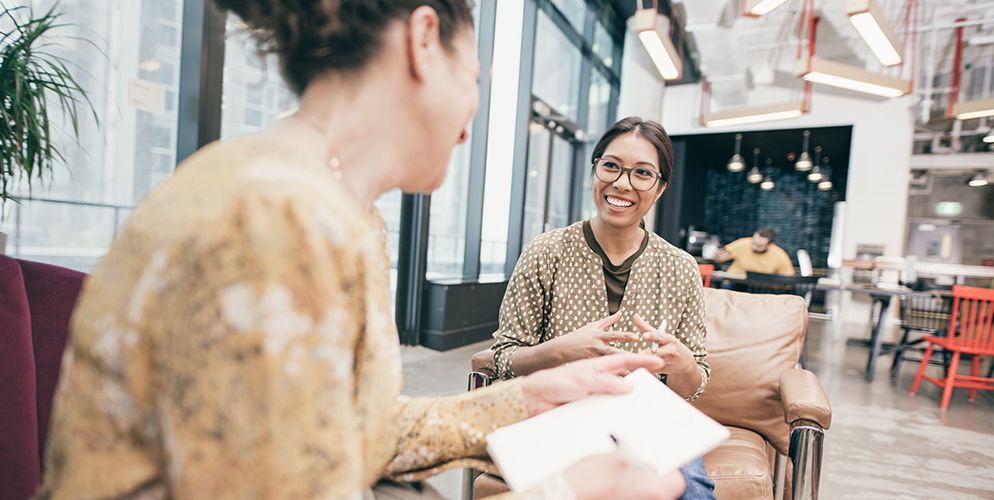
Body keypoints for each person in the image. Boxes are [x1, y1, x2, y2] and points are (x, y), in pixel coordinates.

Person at [33, 2, 686, 500]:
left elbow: (356, 430)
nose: (474, 114)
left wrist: (533, 398)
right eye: (475, 75)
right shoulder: (276, 219)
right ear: (424, 40)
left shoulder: (344, 214)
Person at [490, 117, 716, 500]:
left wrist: (684, 366)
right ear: (594, 168)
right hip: (559, 411)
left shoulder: (680, 267)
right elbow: (503, 358)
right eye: (611, 165)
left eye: (642, 173)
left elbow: (694, 385)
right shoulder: (546, 251)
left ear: (660, 188)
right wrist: (563, 349)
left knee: (691, 490)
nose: (622, 183)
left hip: (646, 420)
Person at [714, 227, 795, 276]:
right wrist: (718, 256)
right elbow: (720, 256)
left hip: (762, 287)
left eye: (759, 246)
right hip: (736, 283)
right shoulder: (743, 243)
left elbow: (788, 276)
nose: (754, 247)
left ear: (770, 245)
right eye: (753, 243)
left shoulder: (779, 255)